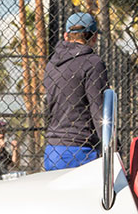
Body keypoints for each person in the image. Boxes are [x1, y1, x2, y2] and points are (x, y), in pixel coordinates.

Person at [43, 12, 109, 171]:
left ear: (66, 35)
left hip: (53, 148)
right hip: (80, 148)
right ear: (93, 37)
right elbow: (98, 108)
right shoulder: (93, 63)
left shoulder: (52, 64)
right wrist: (112, 146)